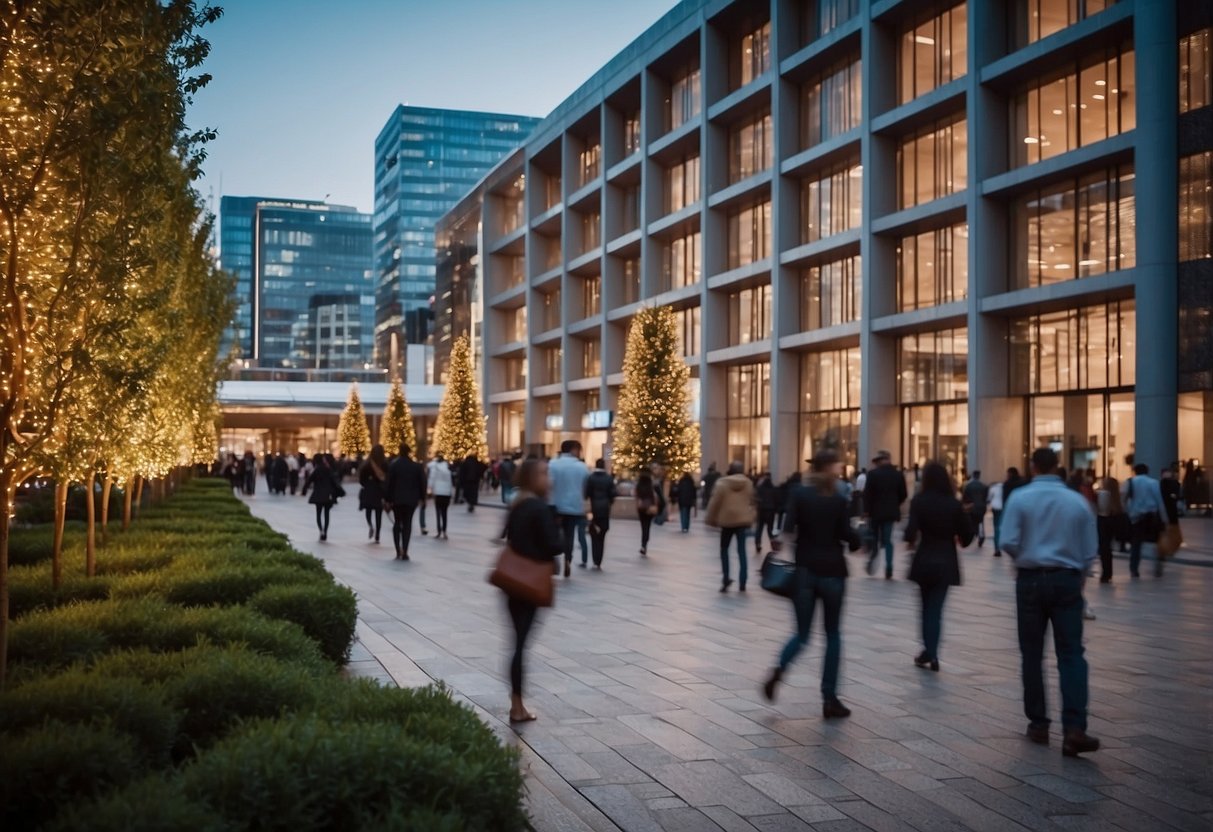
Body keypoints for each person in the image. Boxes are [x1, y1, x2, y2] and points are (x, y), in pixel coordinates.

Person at [1000, 447, 1100, 757]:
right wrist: (1079, 574)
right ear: (1057, 466)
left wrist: (1025, 557)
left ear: (1033, 466)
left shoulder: (1020, 498)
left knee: (1032, 653)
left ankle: (1039, 723)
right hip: (1067, 580)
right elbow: (1090, 550)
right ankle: (1074, 728)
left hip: (1030, 579)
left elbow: (1007, 541)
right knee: (1071, 653)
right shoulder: (1076, 501)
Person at [762, 450, 861, 719]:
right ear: (829, 469)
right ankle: (829, 698)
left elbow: (788, 530)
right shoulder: (838, 499)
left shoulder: (799, 494)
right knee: (833, 634)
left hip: (805, 571)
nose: (840, 470)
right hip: (833, 572)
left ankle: (780, 669)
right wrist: (857, 541)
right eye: (837, 466)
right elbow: (846, 534)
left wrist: (780, 543)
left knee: (802, 634)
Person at [500, 458, 563, 723]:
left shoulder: (517, 504)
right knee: (520, 645)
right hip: (531, 582)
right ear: (532, 478)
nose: (549, 478)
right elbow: (554, 545)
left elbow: (510, 537)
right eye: (544, 473)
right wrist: (556, 525)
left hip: (512, 581)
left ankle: (517, 703)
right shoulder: (538, 507)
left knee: (517, 643)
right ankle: (517, 706)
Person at [905, 462, 974, 672]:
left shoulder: (919, 501)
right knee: (936, 609)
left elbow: (910, 532)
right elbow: (967, 536)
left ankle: (929, 650)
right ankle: (932, 653)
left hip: (924, 558)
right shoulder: (953, 504)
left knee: (925, 608)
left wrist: (912, 540)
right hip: (946, 560)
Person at [705, 461, 756, 592]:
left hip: (726, 521)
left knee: (724, 549)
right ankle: (743, 581)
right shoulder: (748, 483)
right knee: (742, 551)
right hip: (742, 521)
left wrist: (710, 519)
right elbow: (753, 501)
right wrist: (752, 517)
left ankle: (726, 578)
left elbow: (715, 502)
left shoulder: (722, 483)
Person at [863, 450, 907, 579]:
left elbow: (867, 495)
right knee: (888, 540)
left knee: (874, 537)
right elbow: (903, 494)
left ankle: (874, 554)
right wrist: (895, 503)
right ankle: (889, 566)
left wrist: (866, 511)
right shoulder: (898, 475)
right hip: (890, 512)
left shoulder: (872, 474)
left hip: (875, 512)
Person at [548, 440, 589, 577]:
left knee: (554, 533)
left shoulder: (553, 464)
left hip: (555, 505)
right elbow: (585, 487)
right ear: (574, 449)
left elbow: (549, 485)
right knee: (569, 535)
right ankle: (568, 559)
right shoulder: (582, 467)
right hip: (574, 506)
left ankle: (553, 557)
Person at [1122, 463, 1167, 578]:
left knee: (1136, 544)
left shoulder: (1130, 482)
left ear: (1135, 471)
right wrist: (1164, 518)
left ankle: (1134, 569)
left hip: (1136, 517)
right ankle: (1157, 565)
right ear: (1147, 471)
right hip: (1151, 516)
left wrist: (1127, 513)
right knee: (1156, 542)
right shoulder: (1154, 482)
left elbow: (1124, 499)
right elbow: (1159, 501)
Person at [385, 444, 427, 561]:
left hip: (397, 500)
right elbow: (422, 483)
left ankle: (398, 550)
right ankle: (405, 550)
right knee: (407, 524)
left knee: (397, 522)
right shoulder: (416, 467)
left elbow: (389, 484)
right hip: (411, 500)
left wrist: (387, 499)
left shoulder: (394, 466)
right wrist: (423, 498)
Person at [584, 459, 617, 568]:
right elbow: (613, 494)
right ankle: (599, 560)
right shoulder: (608, 478)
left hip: (594, 509)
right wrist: (609, 502)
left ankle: (595, 558)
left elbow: (586, 493)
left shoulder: (591, 478)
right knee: (602, 535)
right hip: (604, 510)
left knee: (593, 534)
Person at [304, 453, 341, 541]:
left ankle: (321, 531)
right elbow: (334, 481)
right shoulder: (328, 469)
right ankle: (325, 531)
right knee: (327, 514)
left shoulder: (316, 470)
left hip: (318, 494)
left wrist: (304, 490)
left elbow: (309, 480)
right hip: (328, 495)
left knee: (318, 513)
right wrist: (338, 492)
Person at [359, 445, 388, 543]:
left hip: (368, 490)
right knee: (378, 514)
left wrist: (366, 484)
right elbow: (387, 478)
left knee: (368, 511)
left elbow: (361, 479)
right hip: (379, 491)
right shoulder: (384, 464)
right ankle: (378, 535)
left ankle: (370, 525)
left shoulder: (367, 464)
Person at [427, 453, 454, 539]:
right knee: (444, 513)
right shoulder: (447, 469)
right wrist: (450, 492)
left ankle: (439, 531)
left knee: (438, 512)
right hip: (446, 493)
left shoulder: (435, 468)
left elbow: (431, 479)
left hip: (438, 492)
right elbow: (450, 482)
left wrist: (429, 489)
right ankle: (444, 531)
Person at [960, 470, 989, 548]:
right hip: (981, 507)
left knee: (973, 522)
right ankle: (981, 535)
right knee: (981, 522)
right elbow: (986, 497)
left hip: (972, 506)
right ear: (979, 476)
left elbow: (965, 497)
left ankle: (975, 533)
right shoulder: (984, 486)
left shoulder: (968, 486)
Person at [634, 471, 659, 556]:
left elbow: (636, 496)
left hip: (641, 508)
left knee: (643, 526)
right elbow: (655, 497)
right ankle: (645, 543)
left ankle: (643, 545)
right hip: (649, 509)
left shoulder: (639, 486)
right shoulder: (651, 487)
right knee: (647, 526)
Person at [754, 472, 778, 555]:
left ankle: (758, 543)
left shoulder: (760, 488)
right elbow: (776, 500)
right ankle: (773, 544)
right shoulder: (773, 488)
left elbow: (756, 498)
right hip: (770, 510)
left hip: (761, 510)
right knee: (770, 529)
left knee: (759, 528)